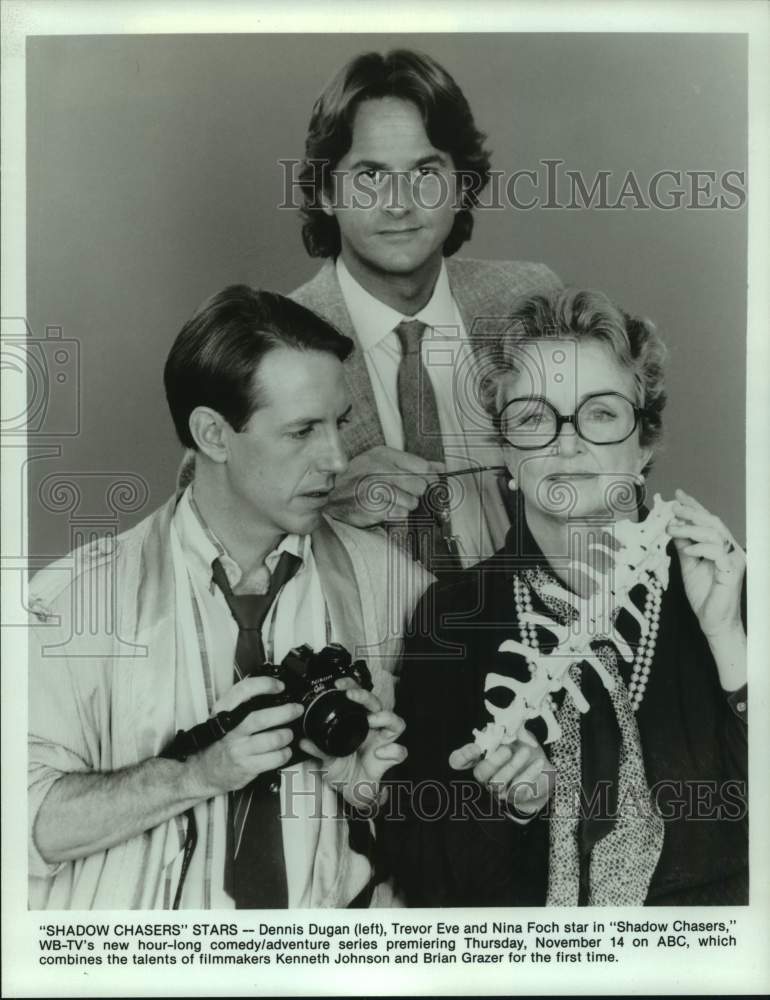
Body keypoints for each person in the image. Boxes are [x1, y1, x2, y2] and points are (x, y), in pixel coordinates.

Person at [27, 286, 430, 910]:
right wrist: (195, 776)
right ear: (213, 434)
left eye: (339, 423)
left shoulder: (397, 586)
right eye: (302, 432)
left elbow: (460, 835)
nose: (338, 458)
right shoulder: (74, 601)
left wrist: (376, 792)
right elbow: (25, 824)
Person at [382, 287, 748, 906]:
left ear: (646, 443)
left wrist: (728, 639)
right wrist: (518, 809)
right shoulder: (450, 618)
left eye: (600, 413)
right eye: (533, 417)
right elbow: (421, 868)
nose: (567, 442)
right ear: (505, 455)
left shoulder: (729, 591)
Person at [289, 48, 562, 569]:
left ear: (461, 185)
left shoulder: (531, 300)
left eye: (425, 171)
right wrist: (321, 505)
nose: (399, 202)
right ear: (326, 191)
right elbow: (207, 527)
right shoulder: (267, 340)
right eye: (370, 175)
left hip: (539, 633)